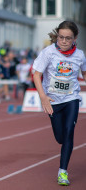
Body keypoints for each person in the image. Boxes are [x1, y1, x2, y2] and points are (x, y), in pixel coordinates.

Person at [33, 21, 86, 186]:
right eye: (61, 37)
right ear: (57, 36)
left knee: (69, 132)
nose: (63, 41)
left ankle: (62, 172)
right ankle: (64, 146)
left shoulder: (80, 55)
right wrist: (43, 96)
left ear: (75, 38)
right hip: (53, 100)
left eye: (68, 38)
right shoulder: (48, 53)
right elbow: (36, 75)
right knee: (60, 137)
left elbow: (84, 73)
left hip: (71, 98)